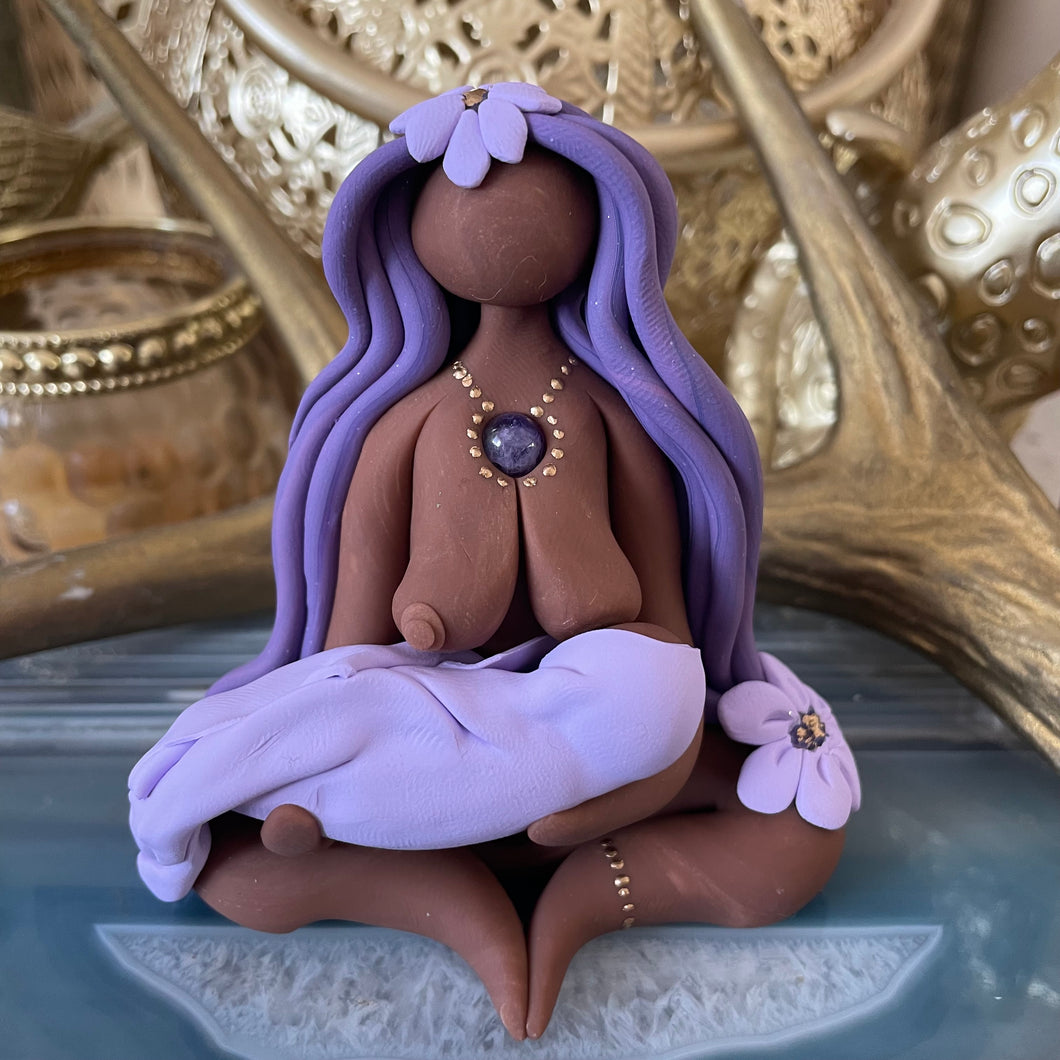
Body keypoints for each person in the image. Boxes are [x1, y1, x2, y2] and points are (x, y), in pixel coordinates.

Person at [129, 83, 860, 1040]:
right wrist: (323, 740)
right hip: (421, 754)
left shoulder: (619, 420)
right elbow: (347, 660)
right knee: (230, 857)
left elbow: (671, 644)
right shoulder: (398, 426)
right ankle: (444, 893)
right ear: (407, 224)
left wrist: (647, 777)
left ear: (601, 227)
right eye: (464, 193)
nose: (496, 218)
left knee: (799, 821)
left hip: (601, 761)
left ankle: (579, 902)